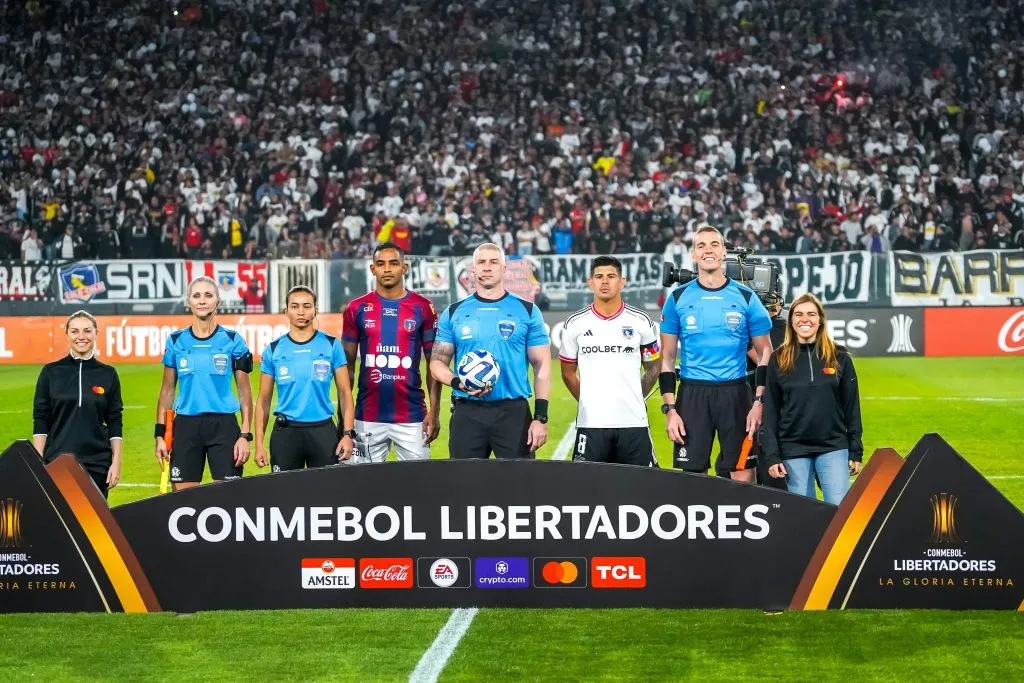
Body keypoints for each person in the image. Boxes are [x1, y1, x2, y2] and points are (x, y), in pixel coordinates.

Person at [658, 226, 774, 483]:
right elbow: (666, 358)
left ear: (723, 251)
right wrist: (670, 410)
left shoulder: (746, 296)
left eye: (714, 244)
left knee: (743, 476)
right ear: (693, 254)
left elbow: (766, 351)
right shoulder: (677, 298)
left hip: (736, 393)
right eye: (701, 246)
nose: (708, 250)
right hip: (692, 394)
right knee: (693, 480)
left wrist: (759, 402)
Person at [430, 242, 551, 459]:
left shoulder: (528, 310)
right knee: (465, 485)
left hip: (513, 412)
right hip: (467, 411)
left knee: (519, 486)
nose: (487, 267)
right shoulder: (454, 312)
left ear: (504, 269)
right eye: (481, 262)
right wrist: (458, 383)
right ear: (473, 269)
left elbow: (542, 365)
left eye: (494, 262)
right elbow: (437, 363)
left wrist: (540, 417)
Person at [341, 242, 440, 461]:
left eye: (394, 263)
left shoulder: (423, 307)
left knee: (419, 485)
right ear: (372, 269)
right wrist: (345, 420)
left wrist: (434, 411)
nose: (387, 269)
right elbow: (346, 368)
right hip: (367, 416)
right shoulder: (356, 308)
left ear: (404, 268)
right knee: (361, 486)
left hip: (413, 417)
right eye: (381, 264)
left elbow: (433, 364)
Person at [762, 293, 864, 505]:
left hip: (833, 446)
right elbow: (770, 411)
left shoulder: (840, 356)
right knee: (802, 516)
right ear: (791, 321)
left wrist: (855, 450)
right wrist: (772, 456)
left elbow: (851, 407)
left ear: (820, 320)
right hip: (792, 448)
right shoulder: (778, 359)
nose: (804, 319)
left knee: (838, 512)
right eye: (798, 314)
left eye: (811, 314)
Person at [154, 276, 254, 490]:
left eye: (208, 295)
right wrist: (160, 435)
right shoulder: (175, 341)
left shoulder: (233, 340)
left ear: (217, 301)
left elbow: (245, 393)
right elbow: (167, 391)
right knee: (184, 503)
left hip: (224, 427)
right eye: (196, 295)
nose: (202, 300)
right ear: (188, 301)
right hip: (185, 427)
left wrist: (245, 435)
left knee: (228, 501)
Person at [560, 255, 661, 465]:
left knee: (644, 490)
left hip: (634, 422)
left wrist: (634, 395)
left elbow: (653, 367)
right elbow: (567, 372)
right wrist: (588, 400)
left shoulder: (641, 321)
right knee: (587, 493)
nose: (604, 282)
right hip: (591, 424)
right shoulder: (575, 323)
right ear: (590, 282)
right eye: (599, 276)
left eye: (611, 276)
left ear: (622, 281)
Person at [254, 286, 355, 472]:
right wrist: (259, 444)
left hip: (323, 432)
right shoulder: (273, 349)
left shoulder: (332, 345)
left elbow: (345, 393)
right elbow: (263, 400)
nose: (301, 312)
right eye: (295, 306)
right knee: (285, 496)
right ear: (286, 311)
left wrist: (348, 434)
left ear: (315, 309)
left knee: (326, 496)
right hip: (286, 433)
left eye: (307, 306)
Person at [32, 311, 123, 499]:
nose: (81, 337)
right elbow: (41, 418)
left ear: (96, 333)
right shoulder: (50, 372)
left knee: (93, 526)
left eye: (87, 331)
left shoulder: (108, 374)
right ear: (67, 335)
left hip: (97, 464)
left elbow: (115, 420)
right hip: (58, 462)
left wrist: (116, 462)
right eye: (75, 331)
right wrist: (38, 462)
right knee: (60, 525)